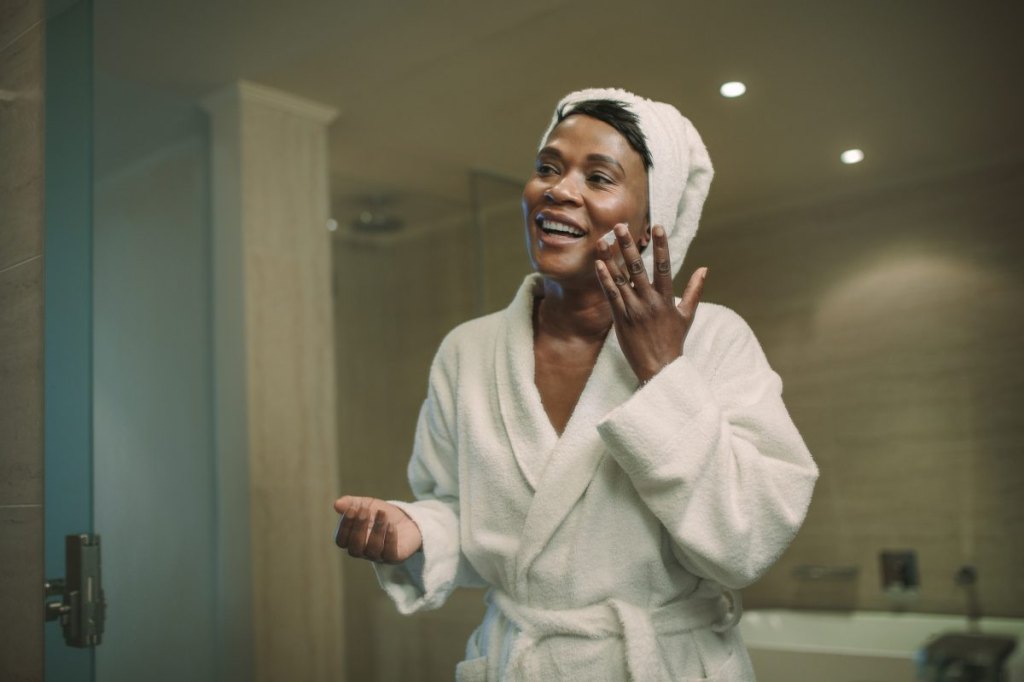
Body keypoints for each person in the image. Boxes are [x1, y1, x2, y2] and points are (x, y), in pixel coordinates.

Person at [334, 87, 818, 681]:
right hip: (523, 661)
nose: (559, 189)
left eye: (599, 177)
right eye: (548, 168)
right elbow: (460, 508)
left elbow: (746, 541)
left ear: (648, 224)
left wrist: (665, 374)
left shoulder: (712, 339)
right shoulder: (469, 351)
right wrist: (417, 529)